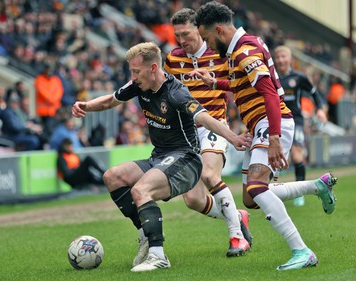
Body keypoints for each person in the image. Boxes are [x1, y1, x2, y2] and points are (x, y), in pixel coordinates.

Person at [72, 42, 252, 272]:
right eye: (132, 71)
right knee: (112, 176)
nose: (132, 76)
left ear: (153, 68)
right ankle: (146, 236)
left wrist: (233, 138)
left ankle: (159, 256)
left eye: (136, 71)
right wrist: (86, 106)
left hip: (186, 159)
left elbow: (204, 117)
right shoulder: (138, 85)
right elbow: (109, 100)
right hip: (159, 157)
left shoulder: (175, 92)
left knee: (141, 191)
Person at [191, 1, 337, 271]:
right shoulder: (245, 44)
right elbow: (241, 82)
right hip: (261, 124)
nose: (208, 46)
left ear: (219, 30)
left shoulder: (244, 52)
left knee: (257, 187)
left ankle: (302, 250)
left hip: (271, 122)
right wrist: (215, 82)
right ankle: (318, 186)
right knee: (251, 197)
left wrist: (273, 138)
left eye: (208, 38)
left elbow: (269, 92)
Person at [164, 8, 251, 257]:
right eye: (177, 35)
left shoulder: (221, 54)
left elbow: (238, 84)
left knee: (209, 174)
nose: (182, 41)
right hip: (186, 133)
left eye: (186, 34)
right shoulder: (173, 59)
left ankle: (237, 238)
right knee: (192, 200)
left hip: (213, 125)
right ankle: (236, 216)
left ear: (199, 30)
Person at [273, 45, 328, 207]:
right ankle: (268, 193)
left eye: (284, 56)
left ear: (290, 59)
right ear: (274, 60)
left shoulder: (298, 77)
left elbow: (314, 92)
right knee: (274, 158)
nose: (281, 60)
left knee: (297, 155)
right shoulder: (271, 77)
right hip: (274, 120)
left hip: (294, 119)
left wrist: (320, 110)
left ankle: (300, 194)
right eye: (278, 57)